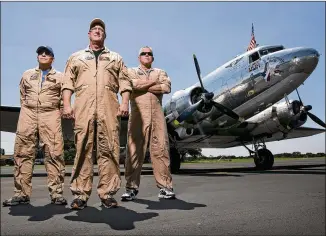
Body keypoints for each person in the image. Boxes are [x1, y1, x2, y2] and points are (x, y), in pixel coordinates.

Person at [61, 18, 132, 210]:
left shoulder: (116, 57)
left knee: (109, 148)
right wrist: (67, 104)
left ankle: (107, 193)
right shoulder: (76, 57)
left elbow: (125, 83)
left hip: (108, 107)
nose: (97, 31)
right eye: (94, 28)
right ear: (89, 34)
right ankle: (80, 194)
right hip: (83, 107)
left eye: (101, 29)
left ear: (105, 35)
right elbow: (67, 83)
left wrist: (124, 102)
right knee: (82, 147)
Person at [3, 46, 67, 206]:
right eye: (40, 53)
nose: (43, 55)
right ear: (37, 57)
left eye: (47, 53)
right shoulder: (27, 74)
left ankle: (57, 194)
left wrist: (56, 112)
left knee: (54, 152)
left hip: (50, 113)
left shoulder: (60, 76)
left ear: (53, 58)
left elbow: (63, 98)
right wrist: (28, 110)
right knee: (22, 153)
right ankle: (21, 194)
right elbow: (22, 95)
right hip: (28, 113)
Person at [121, 46, 175, 201]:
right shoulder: (130, 71)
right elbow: (131, 85)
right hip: (139, 114)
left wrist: (143, 84)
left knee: (161, 149)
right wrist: (153, 83)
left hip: (157, 116)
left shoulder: (161, 72)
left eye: (149, 53)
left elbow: (166, 87)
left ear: (153, 57)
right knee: (134, 151)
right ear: (139, 57)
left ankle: (165, 187)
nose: (146, 55)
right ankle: (131, 188)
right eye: (143, 53)